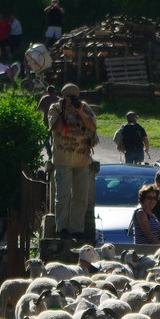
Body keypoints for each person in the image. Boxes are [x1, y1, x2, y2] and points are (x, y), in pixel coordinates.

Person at [48, 83, 97, 241]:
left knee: (81, 196)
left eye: (74, 97)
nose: (71, 100)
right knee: (63, 196)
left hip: (82, 158)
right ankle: (62, 228)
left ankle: (77, 229)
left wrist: (80, 111)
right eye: (68, 97)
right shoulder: (55, 108)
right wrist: (64, 111)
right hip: (63, 158)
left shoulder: (84, 108)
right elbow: (56, 128)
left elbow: (92, 127)